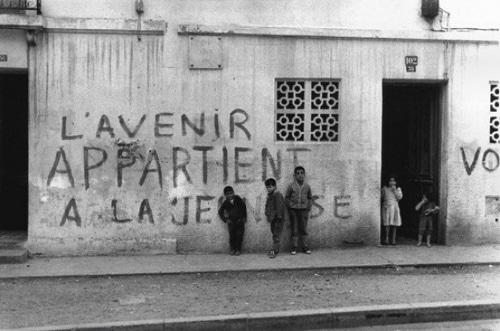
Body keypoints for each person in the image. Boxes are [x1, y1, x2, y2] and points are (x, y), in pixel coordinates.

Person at [285, 166, 312, 255]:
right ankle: (294, 246)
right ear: (295, 175)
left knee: (303, 228)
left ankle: (305, 246)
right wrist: (290, 207)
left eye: (301, 173)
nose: (300, 175)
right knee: (295, 228)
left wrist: (308, 207)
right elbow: (287, 197)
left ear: (304, 174)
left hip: (303, 210)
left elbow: (310, 197)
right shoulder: (291, 186)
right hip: (294, 210)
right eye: (298, 173)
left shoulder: (307, 186)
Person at [218, 186, 247, 256]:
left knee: (239, 236)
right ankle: (232, 249)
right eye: (227, 194)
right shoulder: (225, 203)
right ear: (225, 195)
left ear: (233, 193)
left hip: (240, 221)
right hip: (231, 223)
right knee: (232, 237)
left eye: (231, 193)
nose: (230, 195)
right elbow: (220, 212)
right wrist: (226, 219)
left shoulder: (237, 199)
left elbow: (244, 207)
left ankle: (238, 249)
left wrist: (244, 217)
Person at [264, 178, 286, 258]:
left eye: (270, 187)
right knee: (274, 234)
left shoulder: (277, 194)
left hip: (278, 219)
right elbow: (267, 205)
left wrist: (279, 216)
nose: (268, 189)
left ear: (274, 186)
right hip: (272, 218)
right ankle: (275, 249)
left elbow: (280, 206)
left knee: (276, 235)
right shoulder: (269, 195)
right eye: (267, 187)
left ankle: (274, 250)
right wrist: (266, 212)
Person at [381, 175, 403, 246]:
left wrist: (394, 190)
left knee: (394, 223)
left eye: (394, 181)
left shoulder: (398, 189)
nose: (392, 182)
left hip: (395, 207)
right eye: (390, 180)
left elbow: (399, 198)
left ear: (396, 182)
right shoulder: (385, 188)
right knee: (387, 223)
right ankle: (386, 238)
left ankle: (393, 239)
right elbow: (381, 196)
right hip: (387, 207)